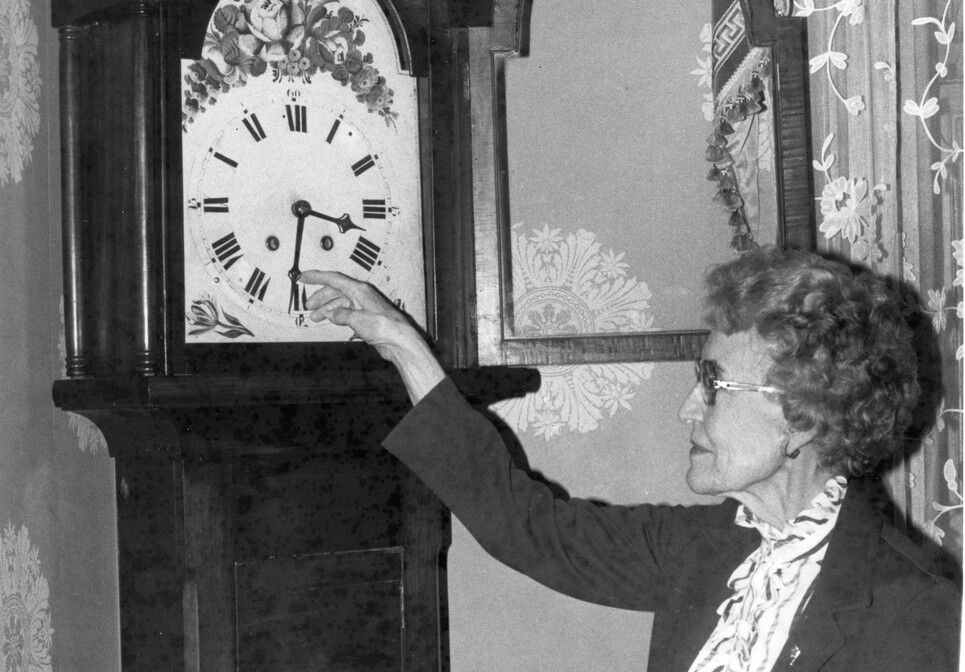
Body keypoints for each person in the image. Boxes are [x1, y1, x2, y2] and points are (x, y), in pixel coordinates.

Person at [299, 247, 961, 672]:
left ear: (799, 413)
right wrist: (399, 344)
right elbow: (528, 528)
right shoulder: (708, 547)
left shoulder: (911, 608)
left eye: (711, 386)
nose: (684, 411)